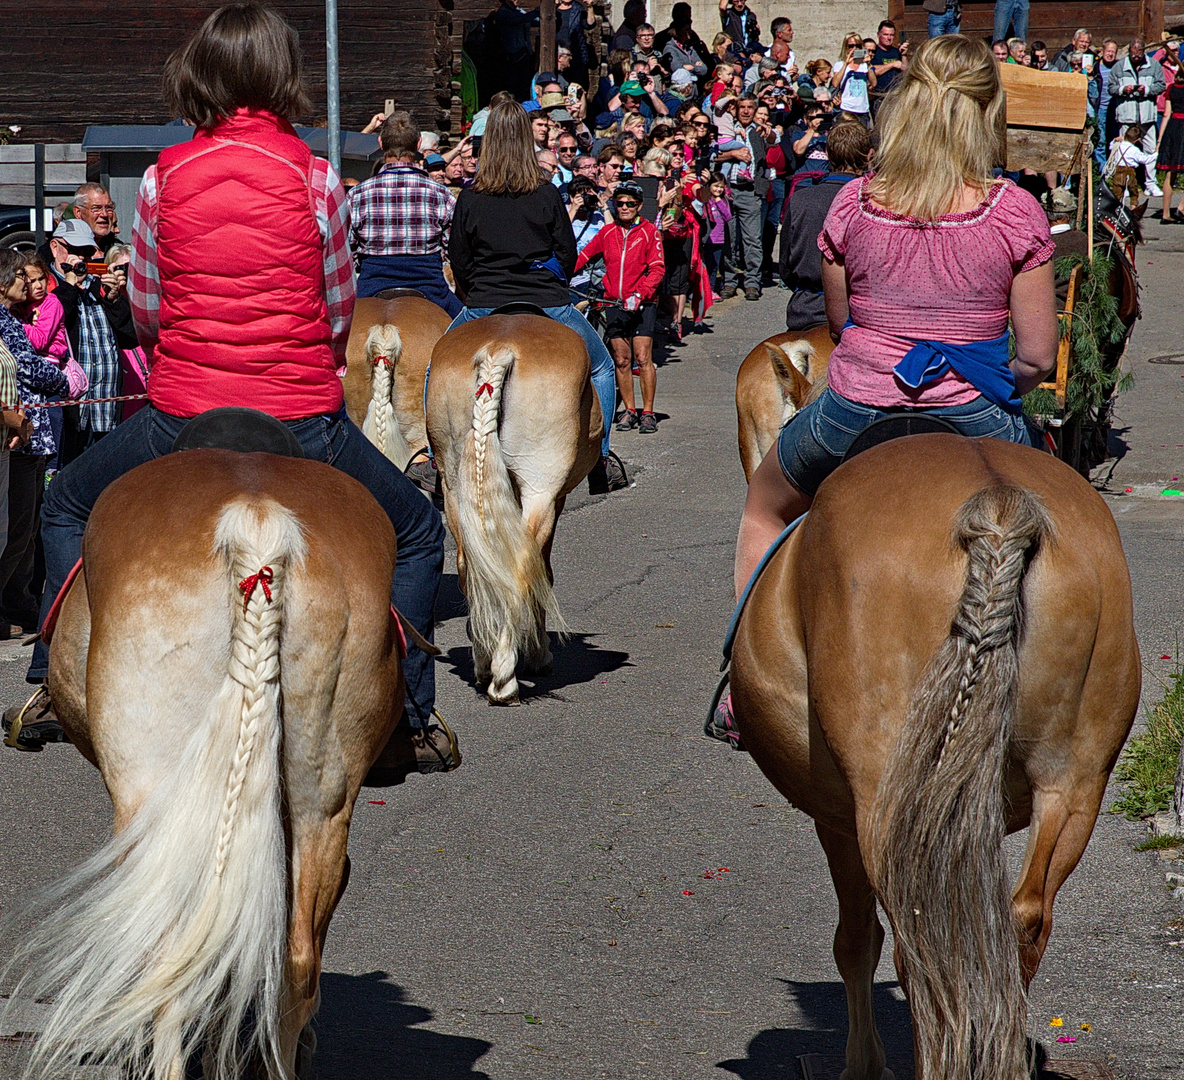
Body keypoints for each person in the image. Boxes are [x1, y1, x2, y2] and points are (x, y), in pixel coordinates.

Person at [1, 3, 458, 770]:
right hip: (304, 416)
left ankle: (51, 679)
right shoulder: (318, 179)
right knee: (417, 535)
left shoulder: (160, 177)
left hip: (183, 410)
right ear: (286, 77)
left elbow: (143, 311)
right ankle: (411, 713)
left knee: (66, 503)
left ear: (199, 73)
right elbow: (338, 310)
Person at [732, 33, 1057, 611]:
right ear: (987, 111)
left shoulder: (853, 202)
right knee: (1062, 524)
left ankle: (740, 681)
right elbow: (1036, 358)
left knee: (765, 505)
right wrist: (988, 375)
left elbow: (839, 325)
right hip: (974, 412)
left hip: (857, 409)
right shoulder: (1013, 210)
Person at [447, 100, 627, 494]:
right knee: (601, 369)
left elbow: (459, 260)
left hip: (484, 301)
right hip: (545, 300)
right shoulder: (545, 193)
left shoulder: (470, 197)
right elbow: (565, 253)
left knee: (432, 367)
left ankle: (429, 456)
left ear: (488, 142)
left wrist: (475, 292)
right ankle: (602, 458)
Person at [1, 253, 72, 641]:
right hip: (19, 435)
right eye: (17, 276)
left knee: (26, 526)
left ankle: (19, 597)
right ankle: (9, 600)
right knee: (16, 527)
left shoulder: (14, 319)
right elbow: (27, 364)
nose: (27, 283)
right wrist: (64, 380)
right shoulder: (5, 321)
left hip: (34, 432)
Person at [573, 179, 665, 434]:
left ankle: (648, 412)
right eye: (620, 203)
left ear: (638, 206)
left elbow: (657, 268)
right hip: (613, 302)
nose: (624, 207)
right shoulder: (607, 233)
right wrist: (560, 274)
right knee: (622, 360)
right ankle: (629, 410)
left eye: (630, 204)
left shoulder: (649, 232)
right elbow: (582, 257)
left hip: (642, 303)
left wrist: (641, 293)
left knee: (643, 357)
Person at [347, 111, 460, 316]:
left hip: (370, 289)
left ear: (380, 143)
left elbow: (348, 252)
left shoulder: (357, 195)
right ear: (418, 144)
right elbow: (454, 251)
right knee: (467, 332)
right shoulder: (442, 194)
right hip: (431, 290)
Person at [45, 218, 135, 465]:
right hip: (71, 410)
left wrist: (115, 299)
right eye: (74, 251)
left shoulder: (98, 284)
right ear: (55, 248)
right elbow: (50, 324)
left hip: (106, 407)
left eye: (86, 252)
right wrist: (70, 284)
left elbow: (130, 337)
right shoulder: (44, 284)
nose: (81, 258)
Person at [778, 121, 872, 331]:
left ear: (828, 153)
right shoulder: (875, 202)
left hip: (806, 309)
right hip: (860, 314)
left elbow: (785, 266)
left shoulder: (800, 199)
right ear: (869, 156)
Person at [717, 94, 768, 301]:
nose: (746, 111)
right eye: (742, 107)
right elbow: (714, 154)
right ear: (736, 110)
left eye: (750, 107)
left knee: (753, 240)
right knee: (729, 238)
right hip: (728, 190)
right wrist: (734, 154)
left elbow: (774, 139)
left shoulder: (760, 130)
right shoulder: (727, 128)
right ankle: (729, 280)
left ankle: (752, 282)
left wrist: (769, 132)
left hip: (750, 191)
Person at [1110, 37, 1164, 154]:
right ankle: (1125, 172)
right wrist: (1123, 90)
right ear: (1129, 51)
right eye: (1133, 55)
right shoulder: (1119, 67)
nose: (1136, 58)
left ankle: (1150, 172)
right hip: (1126, 116)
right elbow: (1110, 88)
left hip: (1147, 117)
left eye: (1139, 55)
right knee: (1124, 150)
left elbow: (1161, 85)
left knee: (1150, 150)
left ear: (1143, 52)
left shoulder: (1154, 65)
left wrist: (1146, 90)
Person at [1157, 66, 1184, 220]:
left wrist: (1160, 139)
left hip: (1172, 127)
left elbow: (1166, 114)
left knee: (1170, 172)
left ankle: (1166, 213)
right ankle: (1181, 207)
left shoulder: (1172, 88)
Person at [833, 34, 877, 124]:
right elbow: (835, 83)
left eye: (857, 46)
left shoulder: (864, 65)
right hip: (846, 108)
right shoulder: (840, 65)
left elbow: (874, 83)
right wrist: (846, 63)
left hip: (862, 109)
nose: (854, 49)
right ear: (846, 47)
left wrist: (868, 65)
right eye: (851, 46)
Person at [70, 184, 120, 255]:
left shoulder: (117, 250)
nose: (104, 214)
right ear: (78, 212)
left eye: (108, 207)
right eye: (96, 208)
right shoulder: (68, 249)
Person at [871, 20, 905, 107]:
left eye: (891, 35)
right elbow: (873, 71)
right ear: (878, 35)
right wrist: (892, 64)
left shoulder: (897, 51)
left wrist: (904, 55)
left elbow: (906, 70)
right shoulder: (873, 52)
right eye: (885, 35)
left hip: (896, 96)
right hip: (879, 97)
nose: (889, 38)